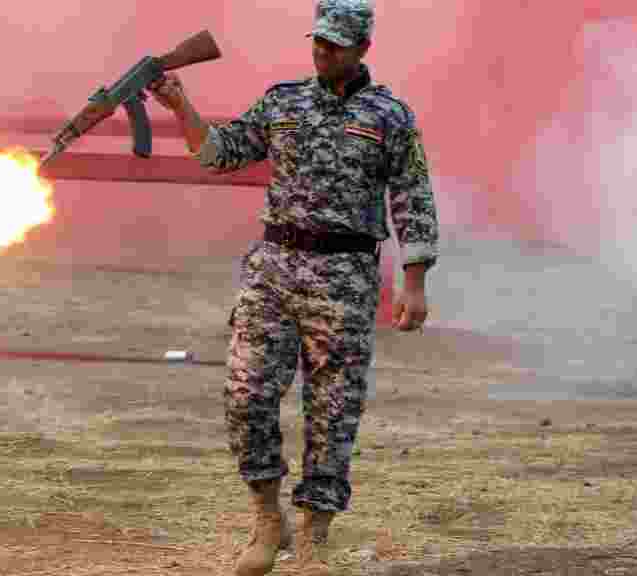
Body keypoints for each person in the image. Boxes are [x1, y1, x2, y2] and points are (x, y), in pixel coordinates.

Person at [148, 1, 439, 574]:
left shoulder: (389, 116)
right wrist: (180, 104)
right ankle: (266, 518)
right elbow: (220, 153)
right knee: (246, 395)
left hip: (345, 278)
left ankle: (314, 536)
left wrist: (414, 281)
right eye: (318, 40)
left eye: (334, 43)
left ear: (361, 49)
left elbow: (413, 197)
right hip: (274, 270)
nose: (322, 50)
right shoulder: (282, 102)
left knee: (333, 411)